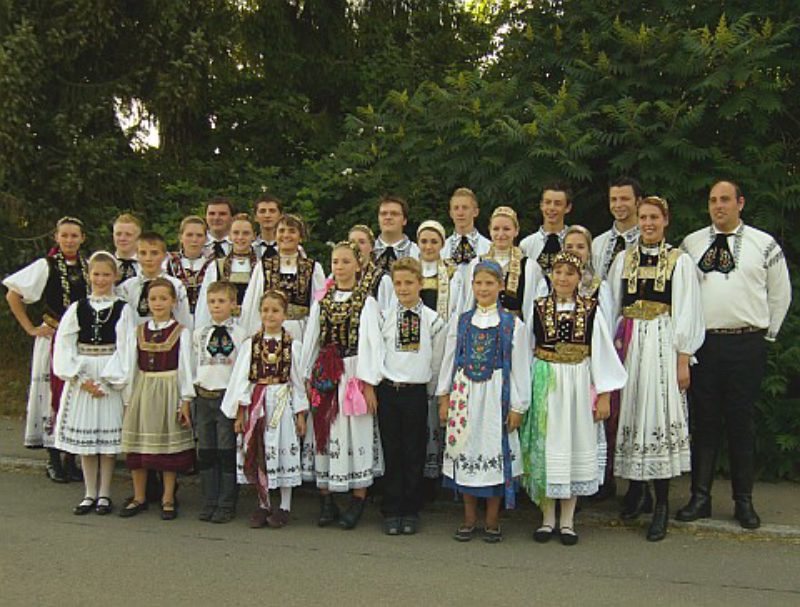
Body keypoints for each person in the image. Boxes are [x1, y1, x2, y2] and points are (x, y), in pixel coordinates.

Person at [677, 180, 792, 529]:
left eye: (725, 199)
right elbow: (682, 294)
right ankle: (700, 497)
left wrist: (767, 335)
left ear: (740, 203)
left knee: (741, 425)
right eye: (713, 200)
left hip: (746, 344)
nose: (718, 206)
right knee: (704, 422)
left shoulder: (764, 244)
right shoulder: (691, 244)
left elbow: (780, 292)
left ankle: (744, 502)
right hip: (705, 346)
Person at [608, 196, 705, 541]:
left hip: (662, 344)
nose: (648, 223)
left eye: (654, 217)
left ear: (666, 220)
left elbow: (687, 312)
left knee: (657, 415)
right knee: (633, 413)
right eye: (643, 217)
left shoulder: (679, 262)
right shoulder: (623, 259)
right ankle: (638, 492)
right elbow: (611, 306)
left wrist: (683, 358)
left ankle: (662, 502)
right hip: (631, 343)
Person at [520, 251, 627, 546]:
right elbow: (524, 351)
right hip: (546, 382)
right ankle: (546, 518)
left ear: (580, 278)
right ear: (551, 276)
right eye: (558, 272)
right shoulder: (539, 308)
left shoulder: (591, 310)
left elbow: (603, 355)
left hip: (579, 384)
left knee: (574, 444)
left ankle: (567, 520)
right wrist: (524, 393)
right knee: (547, 444)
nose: (563, 278)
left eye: (569, 273)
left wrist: (604, 396)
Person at [436, 259, 531, 543]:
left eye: (490, 283)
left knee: (493, 454)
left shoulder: (512, 324)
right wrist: (444, 397)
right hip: (465, 396)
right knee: (465, 451)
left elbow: (520, 368)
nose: (483, 288)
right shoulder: (461, 320)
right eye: (479, 283)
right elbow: (449, 360)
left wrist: (518, 406)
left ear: (501, 286)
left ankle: (492, 518)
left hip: (495, 398)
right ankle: (468, 518)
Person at [300, 241, 383, 530]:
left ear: (358, 266)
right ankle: (326, 500)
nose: (339, 267)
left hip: (352, 372)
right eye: (335, 262)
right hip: (325, 374)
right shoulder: (322, 302)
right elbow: (312, 340)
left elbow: (373, 344)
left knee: (355, 434)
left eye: (346, 261)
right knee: (323, 432)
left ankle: (358, 500)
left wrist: (368, 383)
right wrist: (307, 376)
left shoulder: (366, 301)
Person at [360, 257, 446, 535]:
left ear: (421, 284)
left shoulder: (433, 321)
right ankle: (391, 508)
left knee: (413, 451)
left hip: (415, 393)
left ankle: (411, 508)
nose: (404, 288)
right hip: (389, 390)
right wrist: (371, 385)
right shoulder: (384, 316)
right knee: (392, 449)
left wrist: (431, 391)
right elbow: (375, 353)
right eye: (398, 283)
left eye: (409, 282)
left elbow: (436, 360)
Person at [4, 216, 90, 482]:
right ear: (56, 237)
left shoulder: (89, 267)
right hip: (52, 336)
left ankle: (71, 458)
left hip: (79, 340)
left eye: (74, 236)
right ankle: (52, 460)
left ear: (82, 238)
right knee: (50, 394)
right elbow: (13, 293)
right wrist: (30, 328)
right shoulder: (46, 265)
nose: (69, 240)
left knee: (74, 395)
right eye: (64, 235)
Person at [52, 252, 135, 515]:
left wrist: (114, 379)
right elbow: (64, 344)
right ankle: (89, 493)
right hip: (84, 374)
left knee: (107, 443)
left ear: (115, 276)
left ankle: (105, 494)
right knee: (88, 443)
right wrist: (80, 378)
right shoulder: (77, 308)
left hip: (110, 375)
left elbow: (127, 348)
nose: (101, 279)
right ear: (89, 276)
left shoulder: (123, 309)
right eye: (96, 274)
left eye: (106, 274)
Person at [223, 290, 308, 529]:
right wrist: (240, 413)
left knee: (281, 452)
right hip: (257, 404)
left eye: (275, 310)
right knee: (260, 452)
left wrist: (301, 415)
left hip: (282, 402)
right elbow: (242, 380)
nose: (269, 315)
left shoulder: (293, 345)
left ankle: (285, 505)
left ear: (285, 314)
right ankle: (264, 503)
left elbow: (298, 382)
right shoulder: (251, 344)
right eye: (265, 310)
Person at [119, 278, 195, 520]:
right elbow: (130, 367)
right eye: (153, 299)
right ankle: (139, 496)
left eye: (163, 298)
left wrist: (185, 400)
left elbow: (186, 368)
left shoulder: (181, 332)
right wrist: (128, 399)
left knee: (167, 450)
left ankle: (168, 496)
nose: (158, 303)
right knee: (138, 448)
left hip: (169, 390)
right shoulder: (138, 331)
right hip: (143, 389)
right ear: (146, 302)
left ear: (173, 301)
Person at [562, 224, 619, 501]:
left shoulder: (600, 287)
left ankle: (590, 486)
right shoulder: (550, 285)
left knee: (586, 426)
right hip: (557, 370)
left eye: (580, 246)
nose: (574, 251)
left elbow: (605, 330)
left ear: (589, 251)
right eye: (569, 246)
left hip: (587, 367)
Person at [191, 281, 247, 524]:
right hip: (204, 395)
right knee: (206, 451)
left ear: (233, 304)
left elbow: (243, 370)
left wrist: (239, 402)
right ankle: (209, 500)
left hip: (227, 398)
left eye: (222, 301)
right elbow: (194, 364)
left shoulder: (241, 334)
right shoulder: (200, 333)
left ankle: (226, 502)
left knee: (226, 452)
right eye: (212, 301)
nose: (216, 306)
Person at [415, 220, 462, 486]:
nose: (429, 246)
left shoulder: (453, 274)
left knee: (437, 406)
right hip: (414, 343)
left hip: (441, 341)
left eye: (434, 241)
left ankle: (437, 473)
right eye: (424, 241)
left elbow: (455, 310)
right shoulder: (410, 271)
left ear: (443, 244)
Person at [240, 214, 326, 341]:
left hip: (302, 331)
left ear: (301, 237)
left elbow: (319, 305)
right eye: (281, 231)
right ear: (275, 236)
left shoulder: (313, 268)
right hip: (269, 331)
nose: (286, 235)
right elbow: (252, 304)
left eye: (292, 231)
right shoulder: (263, 267)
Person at [461, 206, 542, 323]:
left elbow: (530, 311)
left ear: (516, 231)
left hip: (515, 331)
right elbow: (468, 303)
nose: (501, 234)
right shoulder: (477, 263)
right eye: (496, 229)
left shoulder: (528, 266)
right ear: (490, 231)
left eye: (506, 229)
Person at [117, 232, 192, 329]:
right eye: (143, 253)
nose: (148, 258)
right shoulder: (126, 287)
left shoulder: (176, 286)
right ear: (136, 255)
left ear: (164, 256)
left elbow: (184, 320)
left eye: (154, 253)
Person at [195, 213, 258, 328]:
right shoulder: (217, 266)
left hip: (252, 324)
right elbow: (204, 302)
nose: (240, 237)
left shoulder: (261, 266)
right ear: (229, 235)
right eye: (236, 233)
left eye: (246, 233)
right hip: (222, 326)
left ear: (254, 236)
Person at [592, 177, 642, 280]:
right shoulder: (598, 243)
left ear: (638, 202)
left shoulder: (646, 241)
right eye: (613, 199)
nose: (618, 205)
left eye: (624, 199)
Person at [164, 216, 214, 316]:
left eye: (199, 235)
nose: (194, 240)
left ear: (206, 239)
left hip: (206, 317)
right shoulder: (169, 263)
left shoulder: (213, 264)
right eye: (189, 235)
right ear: (181, 237)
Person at [520, 184, 573, 273]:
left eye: (557, 203)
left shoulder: (577, 243)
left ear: (568, 208)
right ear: (541, 205)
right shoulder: (526, 245)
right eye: (548, 202)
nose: (551, 208)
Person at [349, 224, 396, 310]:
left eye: (362, 242)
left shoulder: (382, 279)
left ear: (371, 247)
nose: (356, 247)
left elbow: (388, 313)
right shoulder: (337, 276)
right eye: (352, 242)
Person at [441, 187, 491, 266]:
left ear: (475, 212)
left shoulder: (489, 248)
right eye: (456, 208)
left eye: (465, 208)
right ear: (451, 213)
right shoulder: (441, 250)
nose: (460, 213)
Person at [372, 195, 420, 272]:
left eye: (394, 214)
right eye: (383, 213)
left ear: (404, 220)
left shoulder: (417, 252)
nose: (388, 217)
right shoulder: (368, 250)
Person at [112, 213, 142, 284]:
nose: (122, 238)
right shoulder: (105, 264)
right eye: (118, 234)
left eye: (128, 235)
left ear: (139, 238)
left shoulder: (147, 265)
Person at [253, 195, 282, 259]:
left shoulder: (294, 248)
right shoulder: (249, 248)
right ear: (255, 217)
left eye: (272, 211)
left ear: (280, 216)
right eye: (262, 211)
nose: (267, 215)